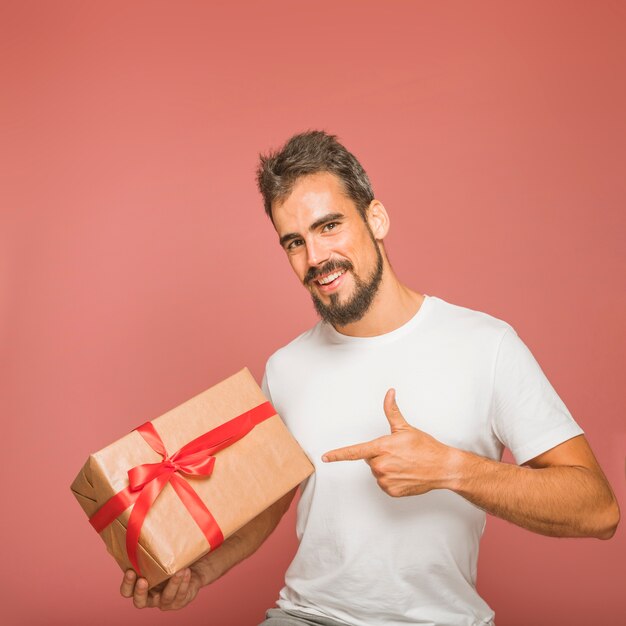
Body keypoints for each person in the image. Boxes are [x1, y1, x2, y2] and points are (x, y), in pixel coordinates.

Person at [120, 131, 619, 625]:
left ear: (375, 218)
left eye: (330, 226)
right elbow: (269, 507)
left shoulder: (487, 346)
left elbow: (598, 510)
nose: (315, 258)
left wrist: (450, 468)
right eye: (295, 242)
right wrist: (197, 572)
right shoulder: (285, 368)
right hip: (307, 616)